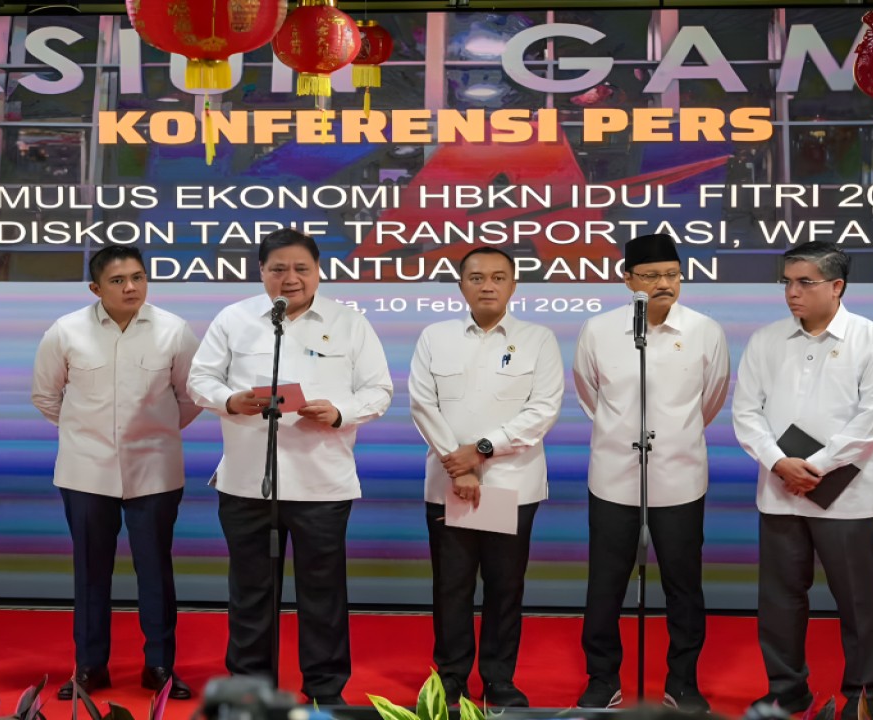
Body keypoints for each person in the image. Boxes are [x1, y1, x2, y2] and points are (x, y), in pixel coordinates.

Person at [187, 229, 393, 705]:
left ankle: (324, 690)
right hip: (246, 483)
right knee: (250, 593)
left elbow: (378, 390)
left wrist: (340, 412)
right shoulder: (234, 319)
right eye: (278, 268)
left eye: (301, 268)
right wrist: (230, 400)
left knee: (323, 596)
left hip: (323, 483)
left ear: (319, 271)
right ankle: (250, 691)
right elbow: (201, 379)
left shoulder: (348, 323)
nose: (290, 278)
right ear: (261, 272)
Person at [732, 241, 873, 720]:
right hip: (779, 492)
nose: (792, 292)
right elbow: (746, 412)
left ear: (837, 285)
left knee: (858, 602)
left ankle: (863, 696)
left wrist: (817, 468)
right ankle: (787, 692)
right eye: (786, 281)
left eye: (804, 281)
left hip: (848, 497)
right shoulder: (765, 340)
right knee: (781, 601)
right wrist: (779, 462)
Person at [32, 246, 202, 701]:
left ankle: (160, 666)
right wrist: (87, 435)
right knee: (90, 571)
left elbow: (190, 397)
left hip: (155, 471)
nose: (131, 287)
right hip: (85, 472)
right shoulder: (65, 331)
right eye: (118, 280)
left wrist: (154, 433)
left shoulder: (174, 331)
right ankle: (89, 667)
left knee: (155, 570)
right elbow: (46, 396)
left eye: (138, 277)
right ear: (95, 288)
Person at [572, 233, 730, 711]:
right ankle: (602, 677)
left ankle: (682, 680)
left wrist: (676, 436)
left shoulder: (705, 330)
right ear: (627, 280)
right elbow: (588, 394)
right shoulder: (598, 331)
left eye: (672, 275)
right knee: (605, 582)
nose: (664, 283)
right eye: (651, 275)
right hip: (614, 476)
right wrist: (623, 433)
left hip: (680, 476)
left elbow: (713, 397)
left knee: (684, 583)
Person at [407, 247, 563, 707]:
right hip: (449, 483)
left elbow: (543, 409)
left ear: (514, 285)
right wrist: (458, 465)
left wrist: (480, 452)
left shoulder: (538, 338)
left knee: (504, 586)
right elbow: (422, 404)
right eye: (477, 278)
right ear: (462, 286)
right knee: (451, 585)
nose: (488, 285)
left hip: (511, 484)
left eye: (498, 277)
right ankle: (451, 678)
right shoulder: (436, 336)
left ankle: (499, 679)